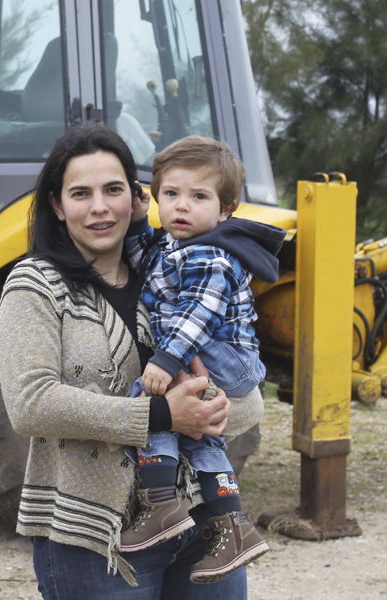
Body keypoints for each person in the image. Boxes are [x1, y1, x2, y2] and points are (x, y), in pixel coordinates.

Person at [0, 122, 254, 599]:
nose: (99, 207)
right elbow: (31, 405)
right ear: (57, 204)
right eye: (80, 193)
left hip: (203, 527)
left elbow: (249, 399)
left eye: (113, 190)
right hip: (94, 538)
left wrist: (212, 408)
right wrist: (163, 415)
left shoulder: (174, 269)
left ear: (134, 198)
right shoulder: (35, 285)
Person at [119, 136, 285, 583]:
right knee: (200, 436)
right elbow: (146, 264)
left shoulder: (211, 254)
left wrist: (167, 361)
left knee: (151, 396)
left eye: (198, 197)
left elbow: (198, 313)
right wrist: (137, 221)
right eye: (170, 195)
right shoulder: (176, 246)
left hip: (229, 357)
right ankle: (233, 528)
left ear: (226, 208)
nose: (182, 207)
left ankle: (160, 504)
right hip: (216, 358)